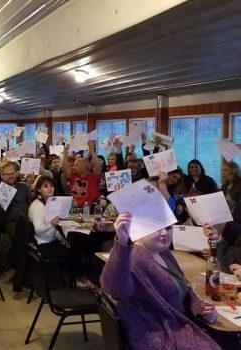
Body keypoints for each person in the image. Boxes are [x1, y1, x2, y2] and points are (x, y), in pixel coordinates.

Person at [100, 213, 222, 350]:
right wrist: (122, 243)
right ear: (140, 230)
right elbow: (114, 288)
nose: (164, 232)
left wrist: (199, 307)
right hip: (157, 334)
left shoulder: (164, 253)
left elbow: (183, 288)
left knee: (228, 340)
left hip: (175, 325)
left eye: (168, 228)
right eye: (156, 228)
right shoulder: (133, 257)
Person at [28, 176, 93, 288]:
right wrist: (52, 224)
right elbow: (39, 229)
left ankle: (79, 278)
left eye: (51, 186)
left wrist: (63, 239)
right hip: (43, 244)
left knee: (76, 247)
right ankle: (78, 280)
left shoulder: (50, 203)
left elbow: (55, 228)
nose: (50, 189)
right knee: (75, 251)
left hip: (51, 240)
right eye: (45, 186)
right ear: (39, 190)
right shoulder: (37, 206)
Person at [61, 142, 102, 208]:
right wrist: (65, 152)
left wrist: (91, 150)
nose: (73, 167)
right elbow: (64, 168)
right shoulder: (73, 176)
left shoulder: (93, 178)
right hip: (74, 210)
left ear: (84, 167)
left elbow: (98, 167)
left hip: (88, 211)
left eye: (76, 165)